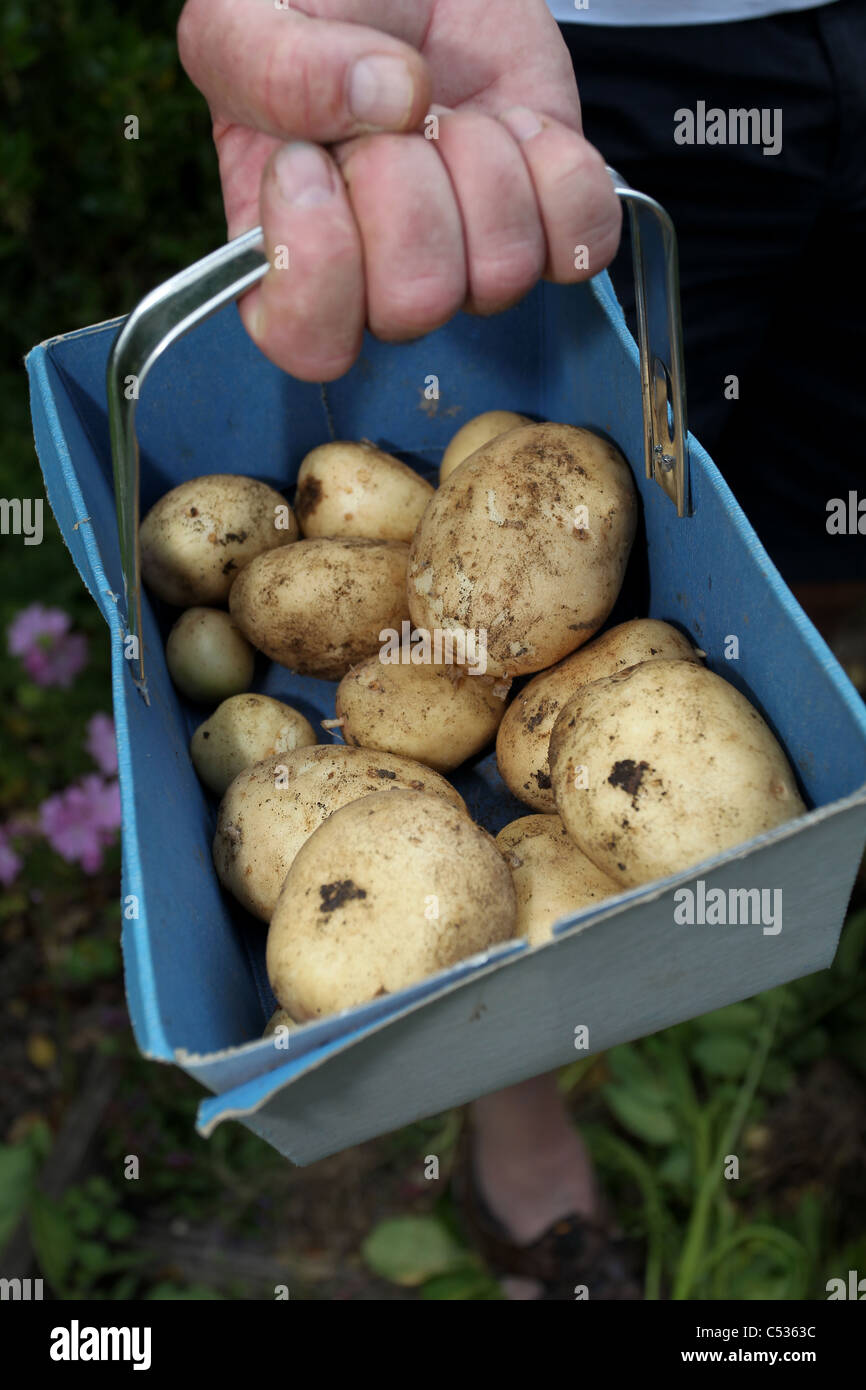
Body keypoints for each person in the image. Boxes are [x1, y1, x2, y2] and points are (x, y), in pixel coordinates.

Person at [175, 0, 865, 1299]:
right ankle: (517, 1111)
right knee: (625, 387)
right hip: (603, 59)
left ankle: (803, 769)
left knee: (805, 500)